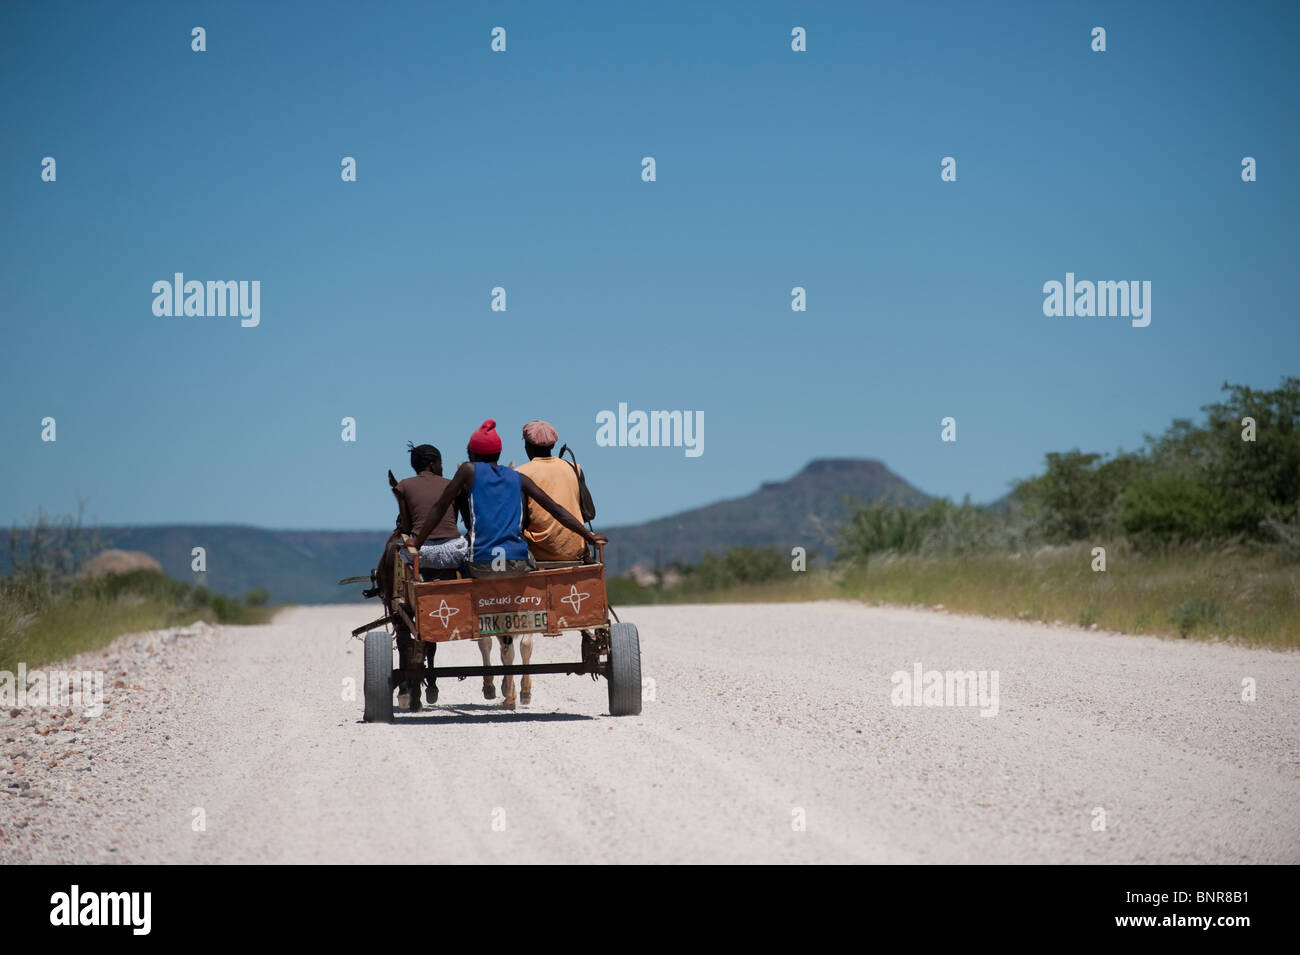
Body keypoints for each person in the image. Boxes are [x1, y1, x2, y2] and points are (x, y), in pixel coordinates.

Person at [410, 420, 606, 573]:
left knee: (457, 565)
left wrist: (416, 543)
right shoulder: (519, 476)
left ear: (472, 454)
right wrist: (589, 536)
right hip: (520, 562)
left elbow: (439, 507)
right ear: (499, 451)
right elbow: (556, 509)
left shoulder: (470, 470)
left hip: (483, 563)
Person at [381, 442, 470, 710]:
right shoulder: (452, 483)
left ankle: (401, 599)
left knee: (400, 554)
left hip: (423, 557)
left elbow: (407, 527)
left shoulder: (404, 486)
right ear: (434, 464)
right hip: (454, 553)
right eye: (441, 462)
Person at [514, 419, 591, 562]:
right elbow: (589, 513)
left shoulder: (520, 473)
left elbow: (520, 520)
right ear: (553, 444)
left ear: (527, 445)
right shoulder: (574, 468)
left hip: (540, 553)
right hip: (576, 551)